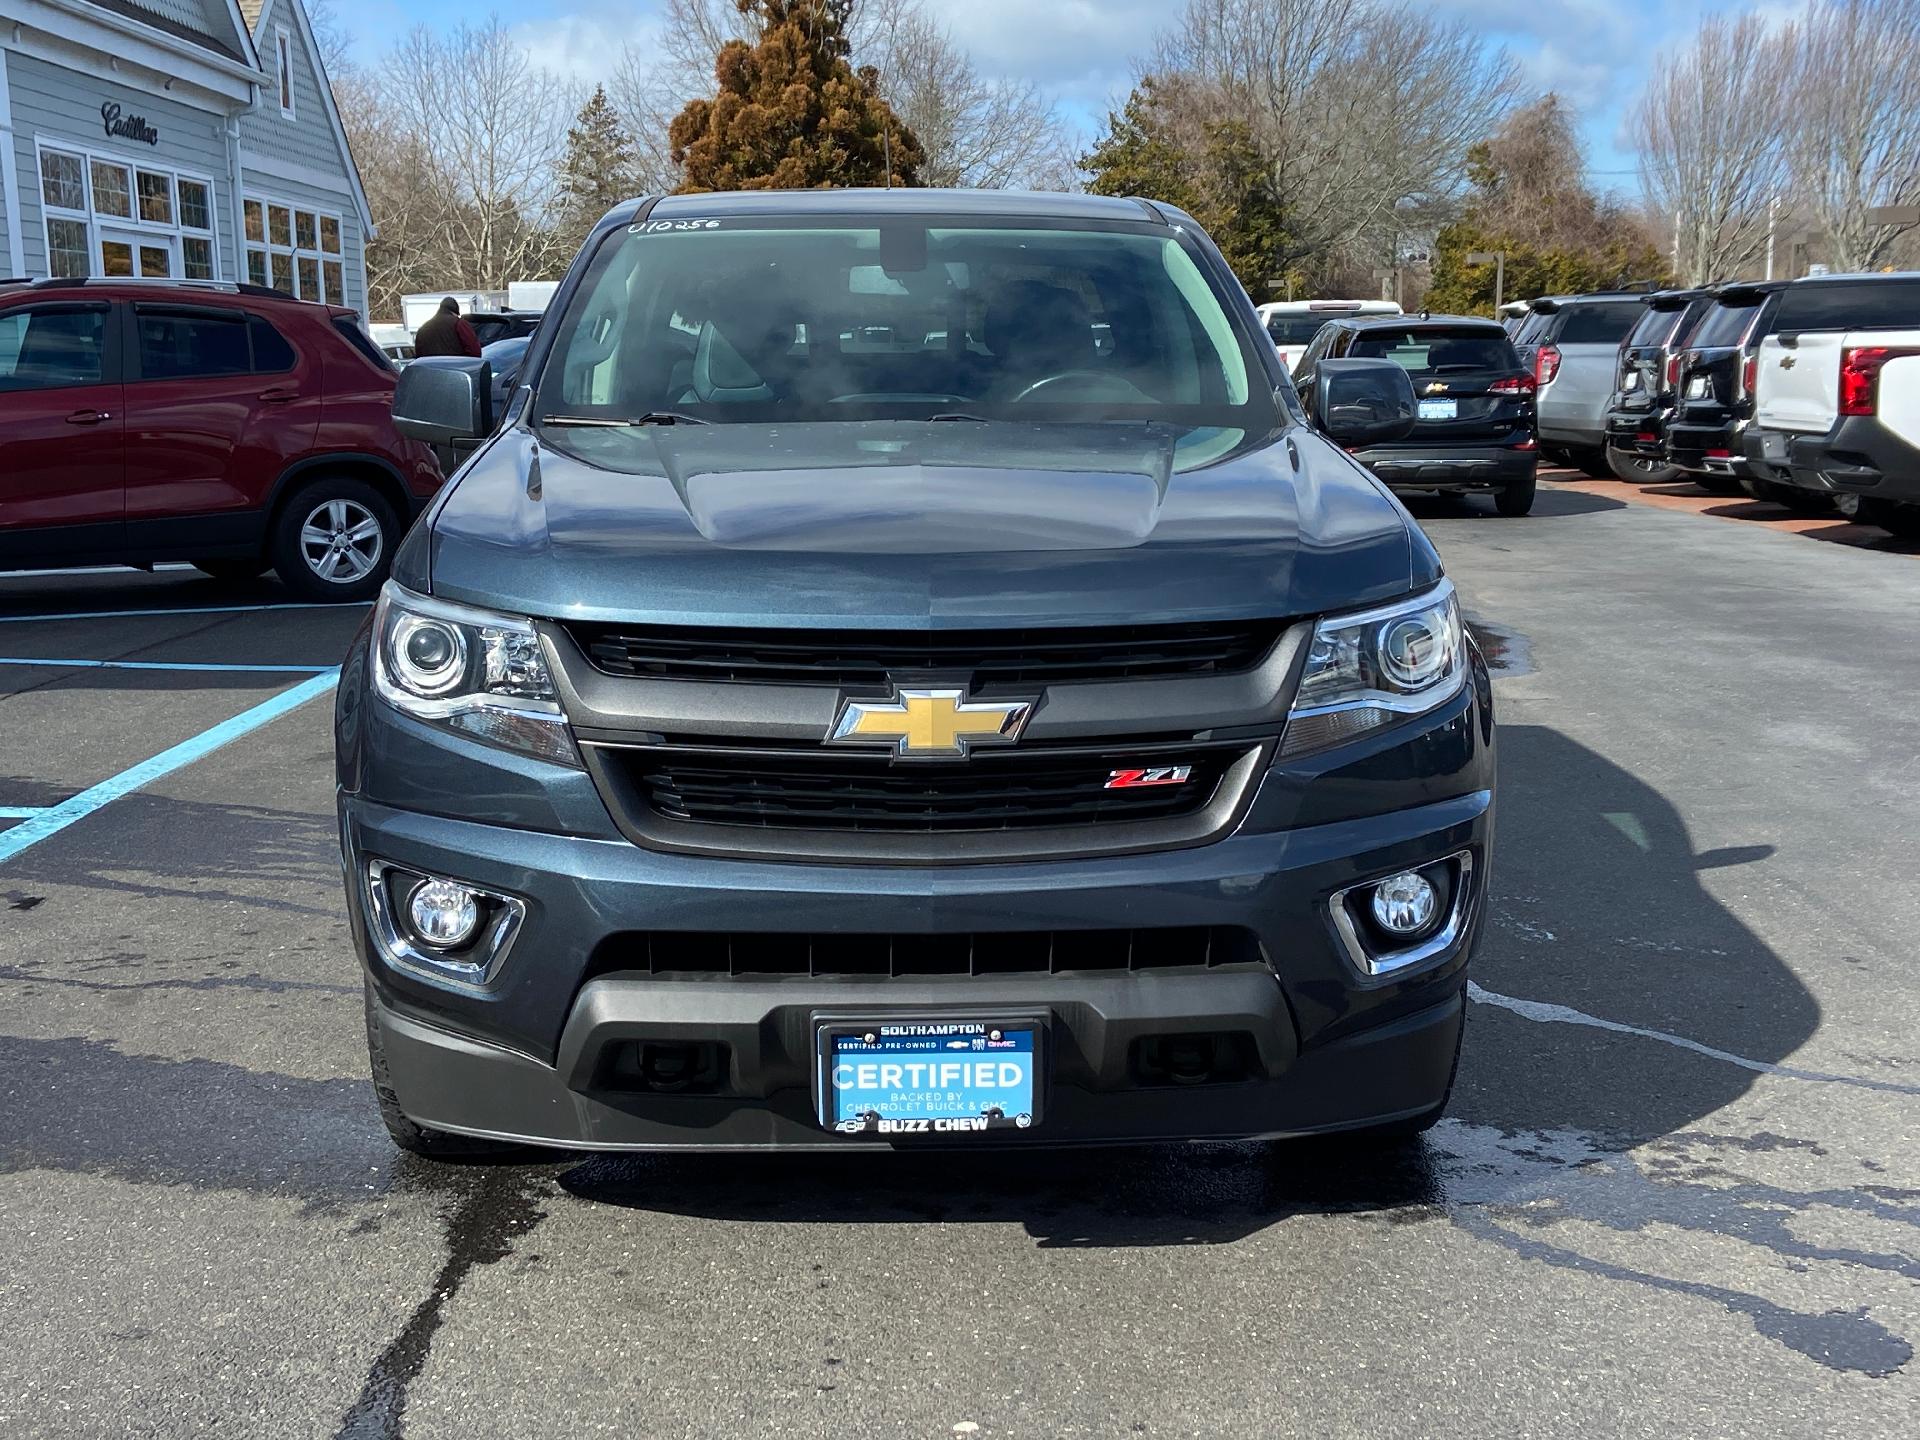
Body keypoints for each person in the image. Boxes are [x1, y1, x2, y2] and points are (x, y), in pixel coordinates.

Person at [413, 297, 481, 358]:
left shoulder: (423, 329)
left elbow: (419, 356)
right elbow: (475, 351)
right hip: (455, 369)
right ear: (455, 312)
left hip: (429, 370)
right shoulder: (459, 324)